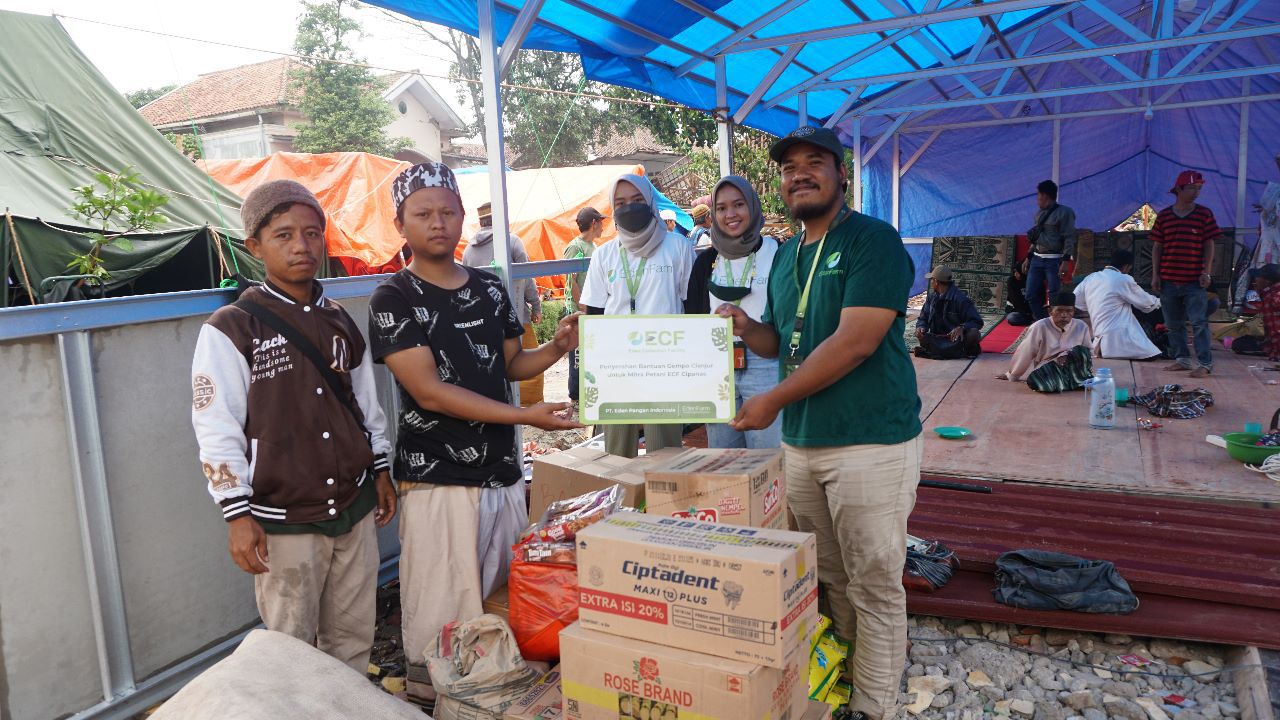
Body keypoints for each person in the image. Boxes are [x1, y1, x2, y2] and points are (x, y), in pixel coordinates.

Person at [718, 126, 921, 720]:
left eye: (814, 163)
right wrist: (741, 326)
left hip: (871, 441)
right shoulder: (787, 256)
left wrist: (774, 399)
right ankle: (851, 673)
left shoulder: (872, 241)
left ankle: (875, 703)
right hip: (804, 443)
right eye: (788, 168)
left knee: (875, 580)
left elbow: (856, 341)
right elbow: (780, 337)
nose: (799, 174)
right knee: (830, 576)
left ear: (840, 175)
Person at [368, 162, 582, 704]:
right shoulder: (393, 298)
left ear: (464, 217)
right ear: (401, 224)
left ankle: (494, 703)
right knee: (441, 610)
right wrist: (526, 419)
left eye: (447, 211)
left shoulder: (489, 287)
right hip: (440, 479)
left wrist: (556, 348)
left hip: (502, 476)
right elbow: (431, 392)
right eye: (423, 214)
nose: (437, 223)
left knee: (500, 604)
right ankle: (432, 701)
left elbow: (511, 365)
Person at [190, 180, 396, 674]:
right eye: (283, 235)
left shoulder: (341, 320)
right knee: (291, 652)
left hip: (355, 505)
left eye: (311, 233)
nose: (301, 246)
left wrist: (381, 469)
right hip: (284, 520)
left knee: (352, 639)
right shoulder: (231, 327)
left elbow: (367, 404)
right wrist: (236, 514)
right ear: (254, 246)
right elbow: (214, 426)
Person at [580, 173, 694, 458]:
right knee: (617, 453)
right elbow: (593, 313)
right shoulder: (604, 255)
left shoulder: (678, 247)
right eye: (620, 202)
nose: (629, 207)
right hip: (617, 365)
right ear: (612, 208)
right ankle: (621, 500)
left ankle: (663, 502)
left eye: (637, 200)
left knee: (664, 453)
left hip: (665, 364)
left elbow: (692, 308)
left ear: (650, 201)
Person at [685, 176, 781, 448]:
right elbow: (693, 318)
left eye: (739, 204)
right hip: (717, 364)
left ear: (753, 206)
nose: (730, 214)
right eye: (721, 208)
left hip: (766, 364)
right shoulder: (706, 261)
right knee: (724, 457)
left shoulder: (777, 254)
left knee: (767, 456)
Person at [1151, 169, 1220, 378]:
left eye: (1198, 188)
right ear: (1179, 189)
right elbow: (1157, 247)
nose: (1196, 192)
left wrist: (1206, 272)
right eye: (1192, 188)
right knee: (1173, 324)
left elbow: (1209, 244)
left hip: (1193, 280)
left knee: (1199, 323)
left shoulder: (1204, 214)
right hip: (1168, 279)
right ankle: (1182, 359)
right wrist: (1155, 275)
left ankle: (1205, 364)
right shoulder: (1164, 216)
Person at [1073, 249, 1162, 359]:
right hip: (1118, 338)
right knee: (1155, 310)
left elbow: (1076, 300)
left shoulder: (1091, 278)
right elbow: (1147, 303)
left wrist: (1094, 305)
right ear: (1127, 267)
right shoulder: (1123, 279)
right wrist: (1162, 301)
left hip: (1099, 338)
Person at [997, 291, 1093, 383]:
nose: (1064, 315)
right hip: (1048, 368)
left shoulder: (1081, 326)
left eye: (1069, 311)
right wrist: (1013, 374)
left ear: (1074, 311)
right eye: (1059, 310)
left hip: (1073, 369)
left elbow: (1087, 352)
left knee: (1083, 354)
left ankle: (1076, 381)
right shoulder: (1039, 326)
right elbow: (1026, 351)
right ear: (1050, 311)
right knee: (1040, 384)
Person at [564, 206, 605, 404]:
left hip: (592, 309)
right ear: (594, 223)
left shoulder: (595, 248)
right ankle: (576, 396)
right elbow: (570, 280)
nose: (603, 228)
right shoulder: (576, 247)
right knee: (578, 354)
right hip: (580, 311)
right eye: (601, 223)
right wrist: (581, 305)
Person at [1024, 180, 1077, 320]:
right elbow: (1036, 237)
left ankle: (1055, 323)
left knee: (1054, 294)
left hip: (1054, 260)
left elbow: (1069, 237)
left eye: (1038, 196)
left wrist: (1065, 261)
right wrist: (1028, 257)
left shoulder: (1065, 213)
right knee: (1030, 293)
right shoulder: (1038, 214)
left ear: (1045, 196)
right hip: (1036, 258)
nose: (1037, 200)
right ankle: (1043, 321)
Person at [913, 266, 982, 359]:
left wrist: (962, 327)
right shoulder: (931, 298)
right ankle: (952, 352)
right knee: (921, 335)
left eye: (932, 280)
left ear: (936, 282)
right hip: (937, 338)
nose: (931, 282)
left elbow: (977, 322)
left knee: (974, 333)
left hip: (956, 340)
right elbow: (923, 318)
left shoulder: (961, 299)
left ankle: (943, 351)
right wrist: (921, 327)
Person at [1228, 264, 1280, 358]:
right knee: (1240, 343)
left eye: (1258, 277)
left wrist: (1275, 352)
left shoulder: (1271, 297)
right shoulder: (1269, 293)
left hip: (1275, 343)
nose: (1255, 279)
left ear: (1267, 281)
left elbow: (1275, 330)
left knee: (1239, 344)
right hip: (1271, 340)